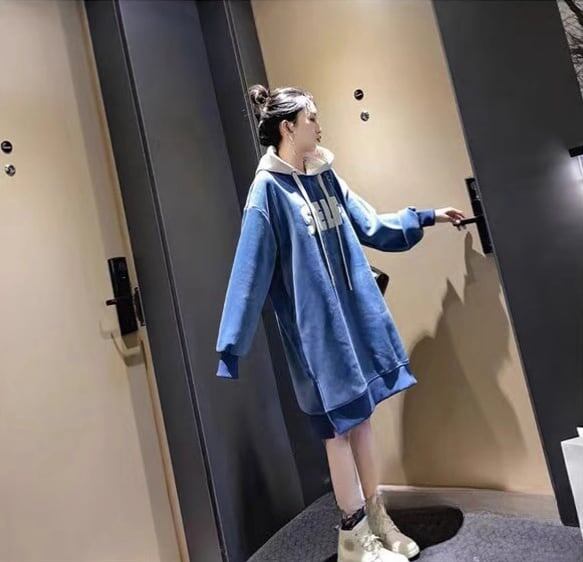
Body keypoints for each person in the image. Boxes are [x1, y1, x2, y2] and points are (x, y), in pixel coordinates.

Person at [215, 84, 466, 562]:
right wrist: (231, 345)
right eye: (311, 118)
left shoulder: (325, 175)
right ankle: (353, 536)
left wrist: (427, 217)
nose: (319, 125)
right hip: (317, 337)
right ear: (288, 127)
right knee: (338, 431)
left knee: (362, 420)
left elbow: (369, 223)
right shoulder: (267, 192)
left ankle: (378, 518)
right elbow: (249, 272)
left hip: (353, 323)